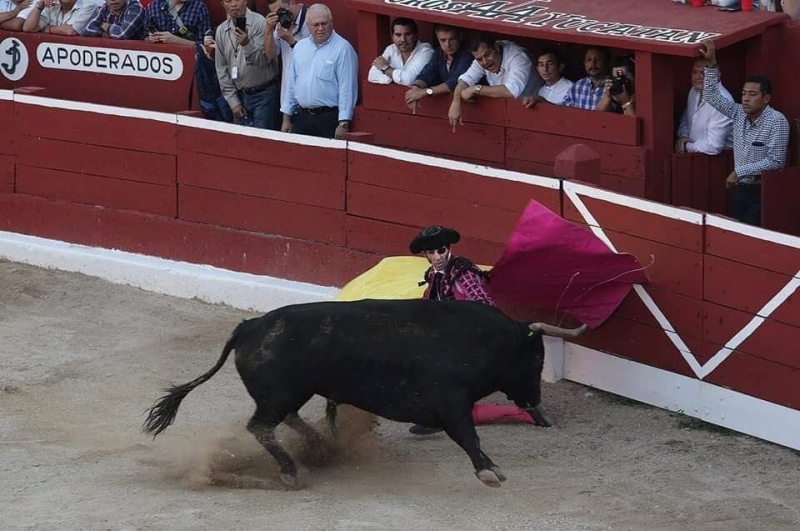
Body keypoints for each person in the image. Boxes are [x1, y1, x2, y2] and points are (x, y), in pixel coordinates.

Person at [406, 225, 553, 436]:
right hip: (453, 339)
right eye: (431, 252)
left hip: (475, 340)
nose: (437, 257)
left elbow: (484, 306)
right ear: (425, 255)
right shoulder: (432, 275)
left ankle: (523, 413)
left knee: (447, 386)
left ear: (448, 248)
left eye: (441, 251)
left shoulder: (463, 273)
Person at [699, 40, 790, 226]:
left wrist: (739, 172)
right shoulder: (738, 112)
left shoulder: (777, 121)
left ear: (766, 98)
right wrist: (712, 64)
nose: (746, 98)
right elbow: (711, 96)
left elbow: (776, 161)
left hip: (763, 191)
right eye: (744, 93)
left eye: (752, 94)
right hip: (740, 188)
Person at [279, 3, 357, 139]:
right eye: (316, 25)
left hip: (329, 118)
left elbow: (347, 89)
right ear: (308, 26)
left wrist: (343, 123)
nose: (320, 28)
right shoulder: (300, 47)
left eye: (324, 24)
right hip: (302, 117)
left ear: (331, 23)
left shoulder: (343, 49)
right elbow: (291, 84)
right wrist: (286, 118)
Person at [448, 33, 540, 130]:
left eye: (487, 55)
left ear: (496, 47)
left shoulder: (517, 57)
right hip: (509, 113)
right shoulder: (482, 57)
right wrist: (456, 102)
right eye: (479, 59)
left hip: (535, 110)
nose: (485, 62)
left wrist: (476, 89)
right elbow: (465, 80)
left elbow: (510, 91)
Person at [214, 0, 279, 129]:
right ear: (222, 4)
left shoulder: (260, 23)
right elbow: (221, 69)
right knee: (240, 139)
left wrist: (246, 44)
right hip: (239, 95)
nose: (234, 4)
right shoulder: (221, 30)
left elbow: (264, 60)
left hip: (263, 94)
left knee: (261, 138)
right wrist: (233, 102)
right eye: (228, 1)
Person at [403, 24, 473, 112]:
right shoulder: (439, 53)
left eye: (452, 39)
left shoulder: (468, 54)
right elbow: (428, 73)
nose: (447, 44)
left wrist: (425, 92)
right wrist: (416, 87)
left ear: (460, 37)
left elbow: (455, 82)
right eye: (443, 40)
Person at [675, 57, 733, 155]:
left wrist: (686, 146)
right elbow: (687, 117)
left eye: (703, 73)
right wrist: (683, 137)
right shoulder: (693, 91)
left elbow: (714, 146)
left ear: (717, 75)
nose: (697, 77)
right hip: (694, 157)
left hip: (719, 161)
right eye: (694, 72)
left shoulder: (723, 101)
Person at [263, 0, 310, 118]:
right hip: (289, 94)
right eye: (275, 13)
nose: (280, 15)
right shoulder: (281, 23)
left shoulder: (312, 20)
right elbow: (271, 55)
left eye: (281, 10)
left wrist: (290, 40)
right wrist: (268, 30)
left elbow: (313, 58)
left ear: (292, 2)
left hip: (309, 96)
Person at [366, 17, 433, 87]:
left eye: (407, 34)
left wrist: (386, 68)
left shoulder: (426, 52)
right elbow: (372, 76)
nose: (403, 39)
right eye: (398, 35)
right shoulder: (391, 49)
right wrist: (393, 78)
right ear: (392, 37)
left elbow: (410, 80)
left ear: (415, 35)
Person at [562, 46, 609, 111]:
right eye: (589, 60)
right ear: (584, 64)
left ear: (606, 62)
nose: (593, 64)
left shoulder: (612, 85)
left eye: (598, 59)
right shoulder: (578, 85)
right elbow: (563, 109)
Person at [22, 0, 97, 35]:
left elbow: (70, 31)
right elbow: (28, 28)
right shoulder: (52, 7)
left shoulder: (88, 6)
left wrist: (49, 28)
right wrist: (39, 6)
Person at [82, 0, 147, 39]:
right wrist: (103, 33)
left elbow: (122, 34)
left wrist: (107, 27)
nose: (113, 0)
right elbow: (87, 29)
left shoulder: (135, 8)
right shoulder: (105, 8)